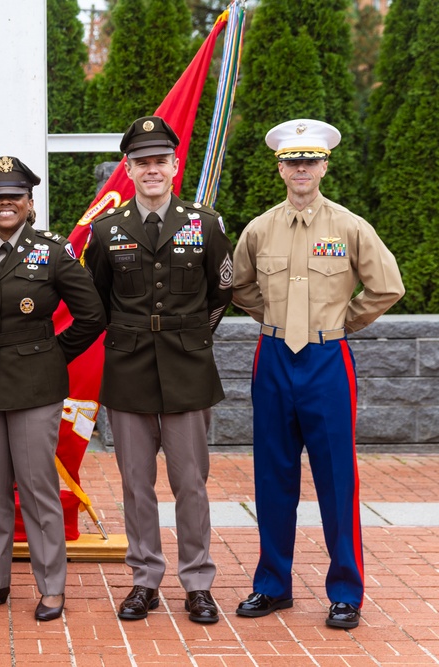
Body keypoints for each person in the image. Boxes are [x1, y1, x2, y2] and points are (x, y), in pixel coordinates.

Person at [232, 119, 404, 630]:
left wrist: (340, 322)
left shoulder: (350, 226)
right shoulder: (260, 228)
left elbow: (386, 286)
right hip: (274, 357)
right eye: (292, 160)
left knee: (337, 478)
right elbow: (237, 285)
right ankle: (272, 585)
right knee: (272, 474)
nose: (301, 168)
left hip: (328, 361)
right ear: (280, 168)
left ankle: (346, 592)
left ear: (325, 165)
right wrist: (276, 316)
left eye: (310, 159)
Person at [0, 156, 104, 621]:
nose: (5, 203)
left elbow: (91, 314)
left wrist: (51, 353)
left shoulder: (52, 251)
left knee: (36, 488)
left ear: (30, 203)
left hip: (36, 385)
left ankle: (52, 586)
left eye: (14, 196)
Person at [84, 116, 233, 625]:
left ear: (175, 165)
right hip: (128, 370)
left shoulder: (205, 224)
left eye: (159, 161)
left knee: (191, 482)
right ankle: (144, 578)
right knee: (135, 484)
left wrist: (193, 338)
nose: (151, 170)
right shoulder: (107, 231)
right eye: (141, 162)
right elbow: (96, 301)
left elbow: (222, 293)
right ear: (129, 168)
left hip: (187, 368)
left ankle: (197, 583)